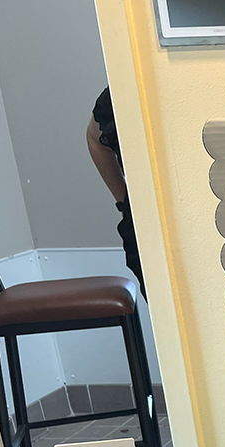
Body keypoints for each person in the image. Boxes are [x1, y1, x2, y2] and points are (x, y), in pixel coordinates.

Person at [87, 87, 143, 297]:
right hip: (145, 226)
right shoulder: (125, 85)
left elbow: (94, 137)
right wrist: (124, 203)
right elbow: (95, 137)